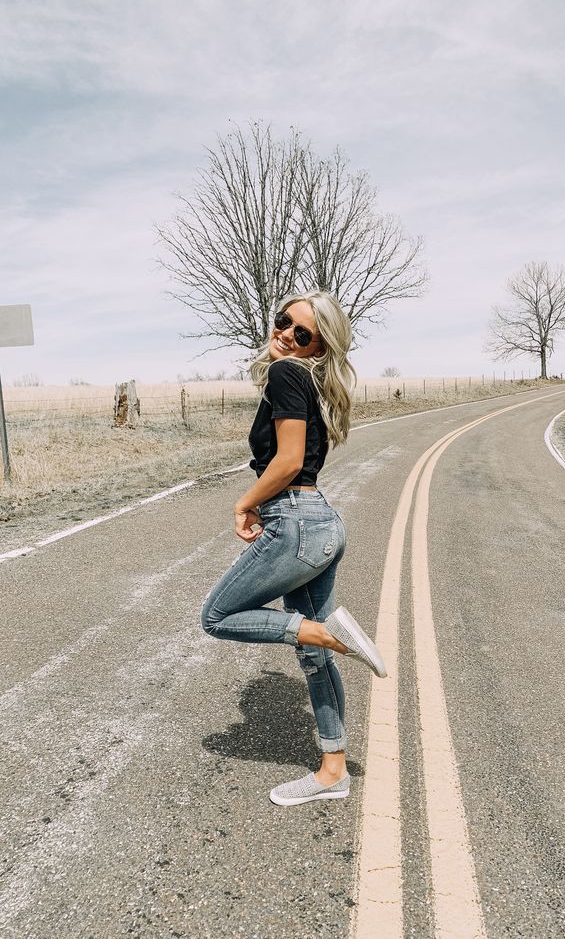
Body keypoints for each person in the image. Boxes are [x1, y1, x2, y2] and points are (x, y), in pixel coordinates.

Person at [201, 290, 386, 807]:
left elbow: (285, 464)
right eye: (284, 321)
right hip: (319, 522)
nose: (285, 333)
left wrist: (246, 503)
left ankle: (326, 633)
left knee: (216, 615)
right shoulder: (310, 384)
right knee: (311, 655)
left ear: (317, 347)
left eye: (301, 333)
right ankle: (334, 771)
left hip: (298, 523)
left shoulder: (287, 376)